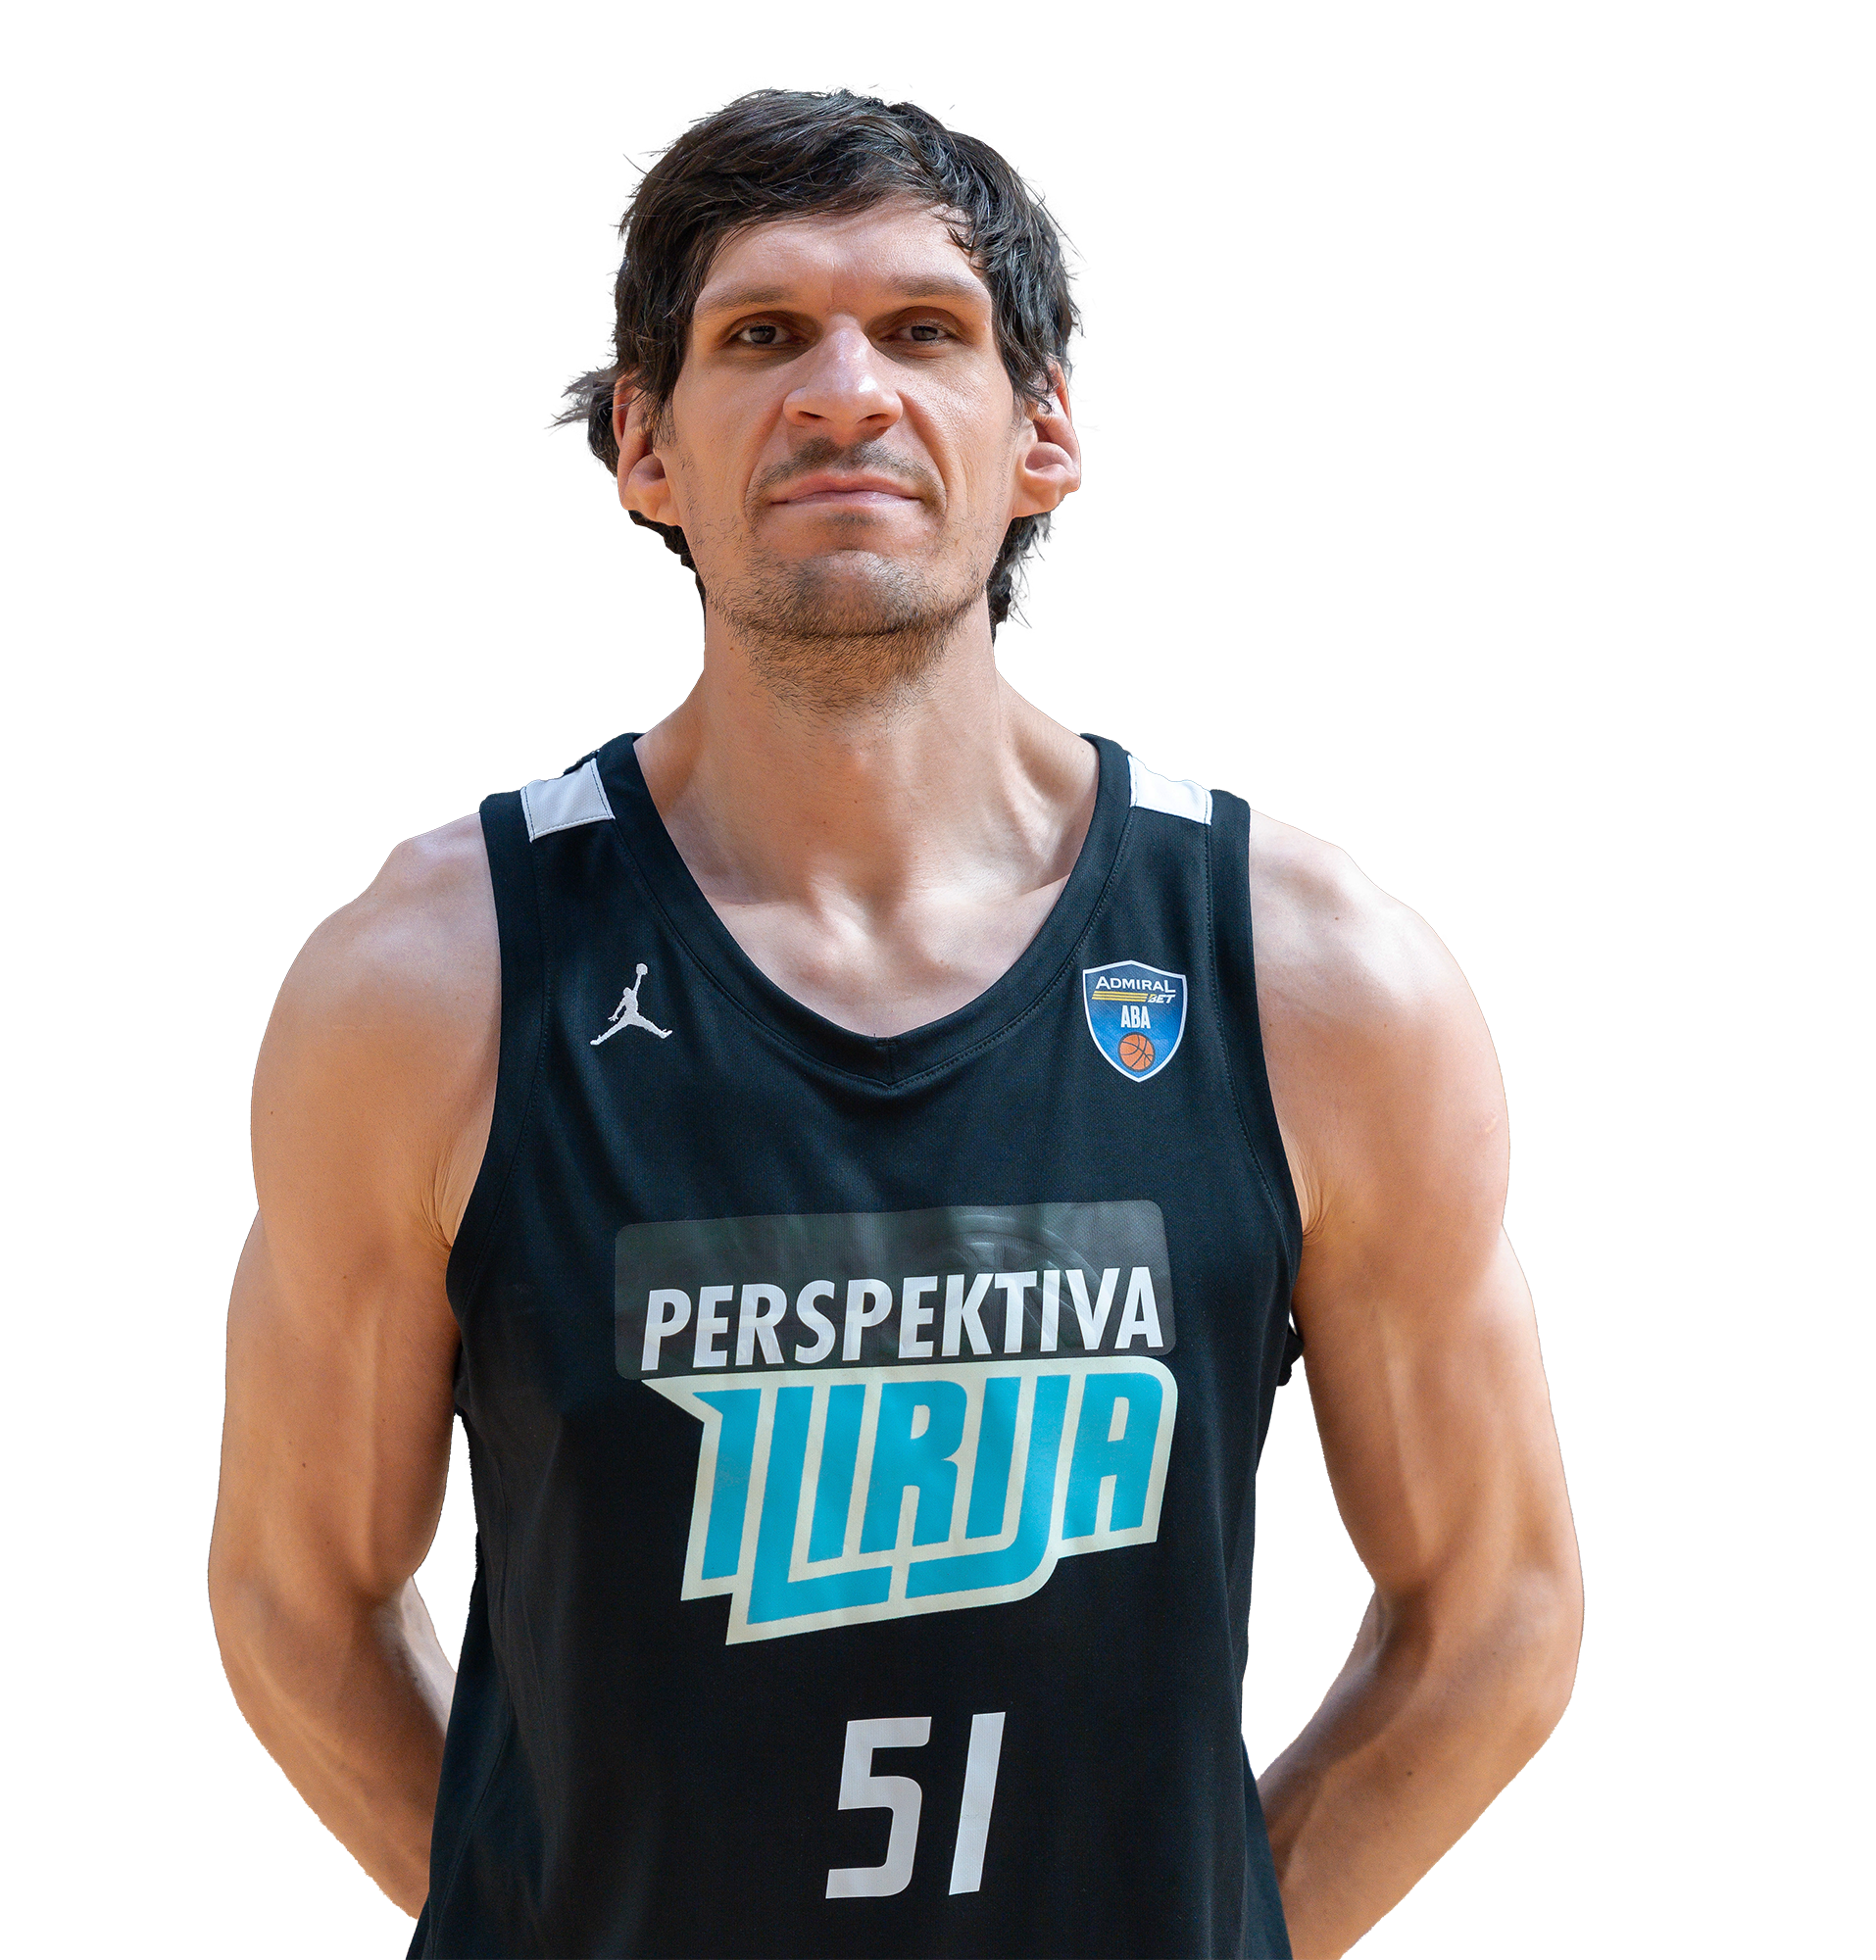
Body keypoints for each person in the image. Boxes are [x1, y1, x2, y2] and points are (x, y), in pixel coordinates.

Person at [209, 89, 1582, 1960]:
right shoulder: (430, 984)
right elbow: (298, 1597)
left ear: (1043, 438)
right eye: (762, 334)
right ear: (644, 447)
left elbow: (1499, 1611)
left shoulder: (1318, 977)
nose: (845, 393)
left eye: (924, 330)